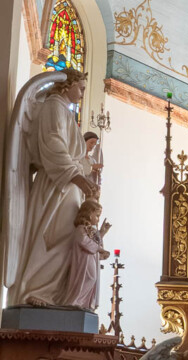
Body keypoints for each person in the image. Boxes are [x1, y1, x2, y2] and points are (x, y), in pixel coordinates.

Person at [6, 69, 99, 307]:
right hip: (57, 186)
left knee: (67, 238)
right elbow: (53, 145)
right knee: (59, 237)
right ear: (66, 86)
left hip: (67, 186)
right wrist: (77, 177)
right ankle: (37, 290)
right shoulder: (53, 107)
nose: (82, 93)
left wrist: (85, 172)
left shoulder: (62, 110)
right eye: (80, 87)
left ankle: (52, 294)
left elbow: (69, 151)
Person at [59, 199, 111, 311]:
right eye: (97, 215)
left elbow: (96, 242)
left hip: (91, 259)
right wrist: (99, 249)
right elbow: (83, 241)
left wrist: (102, 233)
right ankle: (75, 301)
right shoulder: (81, 229)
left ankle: (84, 303)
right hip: (83, 261)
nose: (98, 219)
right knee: (89, 278)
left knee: (92, 279)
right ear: (88, 214)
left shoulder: (91, 230)